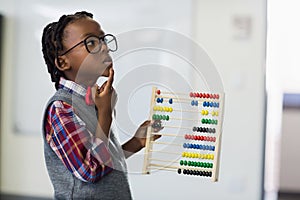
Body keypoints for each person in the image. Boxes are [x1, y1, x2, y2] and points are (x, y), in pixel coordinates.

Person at [41, 11, 161, 199]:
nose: (104, 47)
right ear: (63, 62)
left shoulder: (92, 100)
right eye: (91, 43)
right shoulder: (61, 108)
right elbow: (90, 169)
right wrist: (105, 113)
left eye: (103, 40)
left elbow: (104, 159)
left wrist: (136, 142)